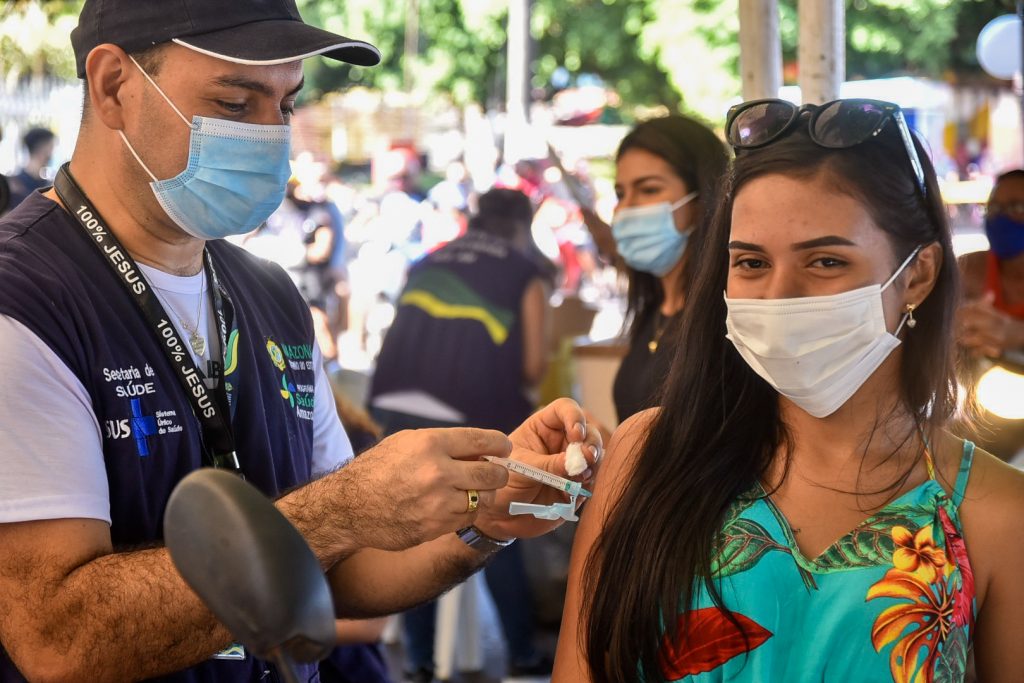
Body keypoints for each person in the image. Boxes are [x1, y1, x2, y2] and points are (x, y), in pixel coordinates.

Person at [0, 2, 601, 681]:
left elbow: (342, 565)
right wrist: (342, 509)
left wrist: (481, 513)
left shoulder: (271, 296)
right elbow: (59, 638)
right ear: (113, 85)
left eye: (286, 106)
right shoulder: (24, 301)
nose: (270, 137)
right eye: (235, 102)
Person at [555, 99, 1024, 682]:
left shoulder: (997, 513)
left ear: (918, 275)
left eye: (825, 261)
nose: (779, 296)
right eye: (750, 262)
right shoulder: (648, 457)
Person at [368, 188, 554, 681]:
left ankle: (420, 660)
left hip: (397, 412)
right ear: (522, 226)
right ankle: (521, 652)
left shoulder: (427, 260)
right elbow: (535, 365)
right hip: (475, 415)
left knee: (414, 529)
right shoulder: (522, 270)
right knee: (497, 518)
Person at [581, 116, 728, 423]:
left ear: (701, 203)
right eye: (621, 194)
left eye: (648, 190)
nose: (624, 208)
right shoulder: (653, 310)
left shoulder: (725, 320)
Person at [956, 169, 1024, 461]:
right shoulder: (968, 270)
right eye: (994, 207)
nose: (1000, 217)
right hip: (986, 411)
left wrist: (1015, 334)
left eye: (1016, 207)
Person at [6, 127, 56, 209]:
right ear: (43, 150)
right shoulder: (14, 186)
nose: (52, 153)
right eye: (51, 148)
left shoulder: (12, 184)